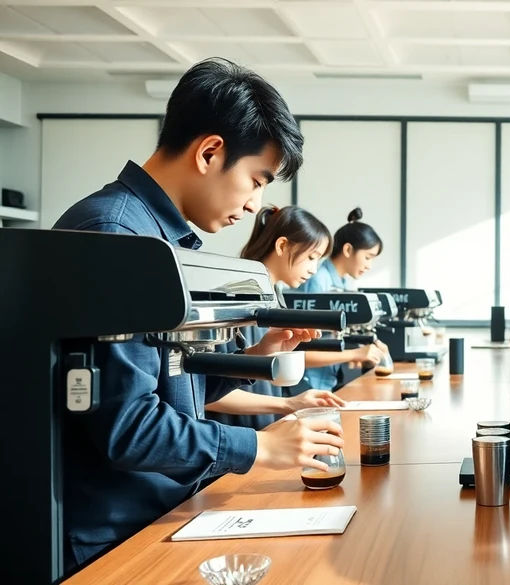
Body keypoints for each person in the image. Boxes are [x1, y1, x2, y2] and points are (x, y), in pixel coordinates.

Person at [51, 58, 344, 573]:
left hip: (166, 511)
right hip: (117, 537)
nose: (256, 204)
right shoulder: (118, 238)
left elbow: (169, 385)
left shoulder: (163, 241)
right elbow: (128, 426)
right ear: (210, 151)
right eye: (257, 180)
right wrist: (257, 447)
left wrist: (255, 356)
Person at [207, 206, 384, 430]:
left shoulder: (273, 296)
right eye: (311, 257)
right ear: (282, 245)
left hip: (263, 431)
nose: (313, 270)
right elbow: (210, 393)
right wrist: (288, 404)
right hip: (239, 436)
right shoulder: (234, 299)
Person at [293, 207, 387, 389]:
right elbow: (302, 349)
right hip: (310, 386)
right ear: (348, 249)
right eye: (368, 257)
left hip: (330, 380)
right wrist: (355, 354)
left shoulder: (346, 283)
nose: (369, 266)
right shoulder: (318, 280)